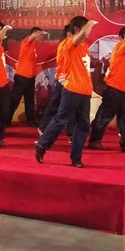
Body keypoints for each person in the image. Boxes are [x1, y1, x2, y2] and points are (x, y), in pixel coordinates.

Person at [35, 16, 97, 168]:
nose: (88, 31)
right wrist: (90, 24)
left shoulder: (84, 47)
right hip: (72, 88)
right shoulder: (67, 43)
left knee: (83, 125)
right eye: (84, 27)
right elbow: (82, 35)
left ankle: (76, 158)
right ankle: (42, 145)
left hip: (85, 90)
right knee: (61, 119)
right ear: (76, 29)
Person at [88, 25, 125, 153]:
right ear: (123, 36)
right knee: (104, 116)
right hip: (113, 88)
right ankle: (94, 140)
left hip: (123, 89)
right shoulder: (120, 46)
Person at [38, 24, 73, 135]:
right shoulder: (65, 45)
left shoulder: (76, 45)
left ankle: (72, 133)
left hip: (72, 81)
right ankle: (43, 128)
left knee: (72, 107)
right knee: (55, 105)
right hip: (62, 80)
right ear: (69, 34)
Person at [9, 26, 45, 127]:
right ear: (34, 34)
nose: (41, 37)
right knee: (15, 99)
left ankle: (31, 120)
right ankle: (6, 119)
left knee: (30, 100)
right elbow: (31, 37)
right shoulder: (26, 42)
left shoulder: (34, 45)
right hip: (22, 76)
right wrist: (38, 33)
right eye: (40, 35)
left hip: (31, 76)